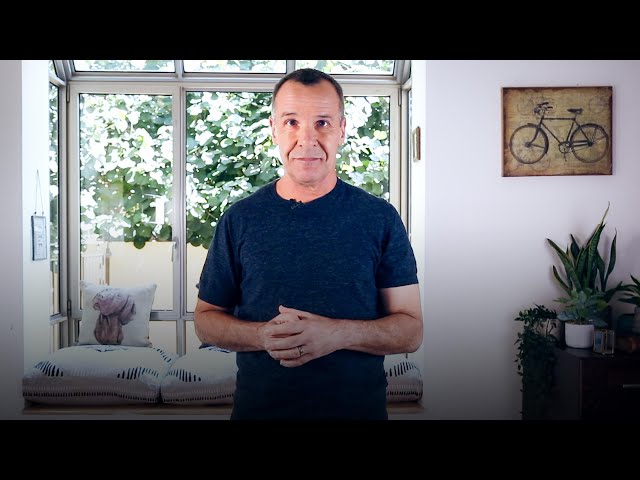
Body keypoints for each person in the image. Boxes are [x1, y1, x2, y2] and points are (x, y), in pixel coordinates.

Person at [194, 68, 422, 420]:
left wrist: (337, 334)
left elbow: (411, 331)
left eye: (322, 123)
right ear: (274, 129)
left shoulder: (380, 218)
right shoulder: (239, 219)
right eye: (291, 122)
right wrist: (263, 336)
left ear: (342, 129)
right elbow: (206, 320)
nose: (307, 139)